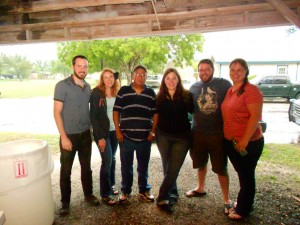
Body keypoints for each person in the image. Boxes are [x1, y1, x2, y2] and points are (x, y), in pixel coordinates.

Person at [53, 55, 99, 217]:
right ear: (73, 66)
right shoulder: (62, 85)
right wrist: (63, 137)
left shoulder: (87, 86)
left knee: (86, 168)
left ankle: (88, 194)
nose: (82, 69)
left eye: (85, 66)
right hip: (69, 136)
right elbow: (57, 112)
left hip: (86, 134)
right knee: (66, 171)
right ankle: (65, 203)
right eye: (79, 66)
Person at [186, 59, 233, 214]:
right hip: (198, 133)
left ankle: (227, 199)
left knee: (220, 167)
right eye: (201, 70)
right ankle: (200, 188)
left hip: (217, 134)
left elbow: (234, 101)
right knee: (200, 163)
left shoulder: (224, 84)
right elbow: (187, 107)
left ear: (212, 70)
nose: (203, 72)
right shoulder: (194, 87)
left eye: (207, 69)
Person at [221, 58, 264, 220]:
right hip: (232, 141)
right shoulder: (231, 90)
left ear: (246, 72)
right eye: (232, 69)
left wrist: (245, 140)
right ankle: (245, 204)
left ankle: (243, 210)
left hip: (248, 143)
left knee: (246, 175)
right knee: (242, 174)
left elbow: (255, 117)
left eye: (239, 70)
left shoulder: (251, 90)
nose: (235, 73)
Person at [113, 65, 158, 203]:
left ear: (146, 76)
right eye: (138, 74)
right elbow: (116, 111)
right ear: (133, 75)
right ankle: (126, 191)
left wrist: (153, 132)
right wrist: (118, 131)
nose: (141, 76)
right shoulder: (124, 91)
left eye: (144, 74)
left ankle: (143, 190)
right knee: (126, 166)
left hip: (145, 138)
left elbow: (156, 114)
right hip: (126, 137)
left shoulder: (150, 93)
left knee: (143, 166)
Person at [155, 68, 194, 214]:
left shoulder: (187, 96)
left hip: (182, 137)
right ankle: (173, 193)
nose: (171, 81)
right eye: (168, 78)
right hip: (163, 136)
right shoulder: (159, 97)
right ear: (164, 81)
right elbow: (156, 116)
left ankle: (162, 197)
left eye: (174, 78)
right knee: (167, 166)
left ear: (178, 80)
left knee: (173, 168)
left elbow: (196, 112)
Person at [90, 68, 120, 206]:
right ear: (102, 79)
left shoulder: (117, 92)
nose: (109, 79)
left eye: (111, 77)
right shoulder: (97, 93)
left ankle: (112, 184)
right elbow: (94, 117)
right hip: (103, 133)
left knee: (112, 158)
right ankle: (105, 194)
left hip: (115, 131)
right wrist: (100, 137)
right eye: (106, 77)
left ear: (114, 79)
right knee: (107, 160)